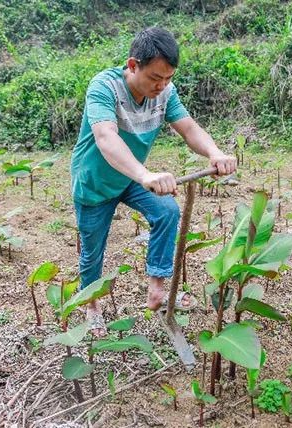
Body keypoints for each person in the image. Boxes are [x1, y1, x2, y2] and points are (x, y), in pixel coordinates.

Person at [71, 27, 236, 336]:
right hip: (95, 182)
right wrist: (145, 175)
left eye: (168, 78)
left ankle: (157, 289)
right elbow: (106, 138)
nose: (161, 86)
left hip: (130, 176)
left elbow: (188, 128)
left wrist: (215, 152)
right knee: (93, 251)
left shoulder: (165, 93)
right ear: (133, 65)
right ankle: (91, 305)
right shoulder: (104, 87)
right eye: (155, 78)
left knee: (167, 211)